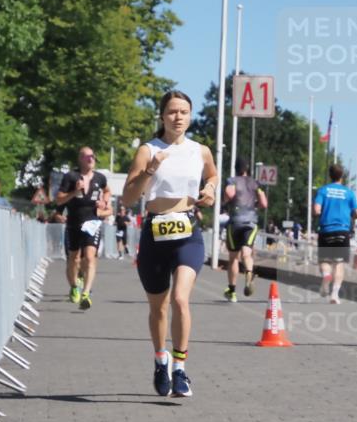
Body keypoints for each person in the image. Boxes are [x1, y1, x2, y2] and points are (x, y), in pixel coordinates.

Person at [121, 90, 217, 398]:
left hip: (188, 231)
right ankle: (160, 360)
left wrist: (211, 189)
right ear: (162, 116)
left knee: (180, 300)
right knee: (159, 308)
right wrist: (150, 170)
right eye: (173, 112)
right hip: (155, 234)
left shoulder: (200, 150)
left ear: (190, 116)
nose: (178, 117)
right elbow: (128, 197)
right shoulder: (148, 150)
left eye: (184, 112)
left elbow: (212, 175)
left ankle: (180, 369)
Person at [55, 147, 111, 309]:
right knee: (74, 258)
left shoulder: (100, 178)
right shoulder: (71, 177)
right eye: (88, 157)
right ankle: (74, 287)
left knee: (90, 256)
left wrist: (104, 202)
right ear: (80, 159)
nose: (91, 159)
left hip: (92, 221)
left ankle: (86, 293)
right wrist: (74, 192)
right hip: (74, 221)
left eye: (93, 157)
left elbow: (107, 190)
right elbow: (58, 200)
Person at [313, 162, 357, 304]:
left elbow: (316, 210)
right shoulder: (349, 193)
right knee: (339, 263)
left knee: (325, 261)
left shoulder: (323, 190)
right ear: (342, 176)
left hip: (326, 230)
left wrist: (320, 212)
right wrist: (352, 214)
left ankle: (326, 275)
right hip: (342, 230)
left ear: (330, 175)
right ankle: (334, 294)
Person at [222, 157, 267, 301]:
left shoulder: (232, 180)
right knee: (246, 254)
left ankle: (232, 291)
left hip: (235, 222)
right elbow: (264, 203)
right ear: (247, 169)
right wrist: (255, 207)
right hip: (251, 222)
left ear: (235, 168)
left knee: (233, 258)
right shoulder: (255, 183)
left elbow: (229, 193)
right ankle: (249, 271)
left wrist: (226, 200)